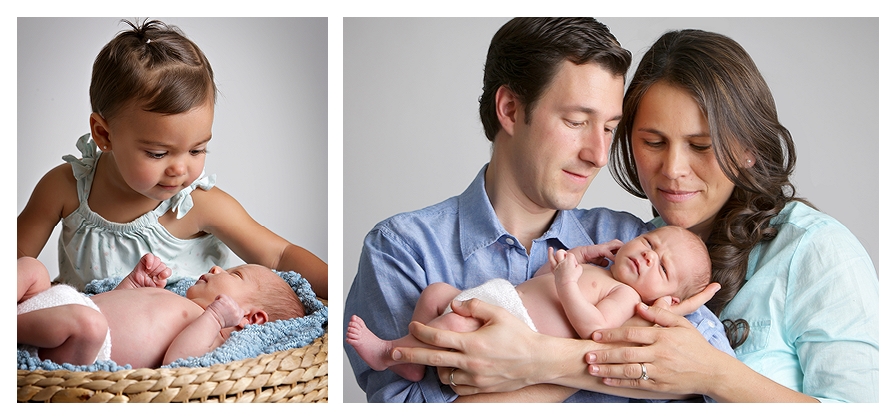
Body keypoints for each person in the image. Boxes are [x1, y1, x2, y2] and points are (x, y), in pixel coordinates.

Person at [393, 29, 879, 403]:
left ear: (749, 148)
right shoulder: (631, 244)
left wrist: (714, 373)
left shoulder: (815, 253)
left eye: (701, 146)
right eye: (651, 142)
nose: (673, 170)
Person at [344, 17, 728, 403]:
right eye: (577, 121)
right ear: (509, 109)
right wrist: (603, 363)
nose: (597, 155)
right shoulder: (403, 248)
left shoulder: (636, 243)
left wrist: (543, 360)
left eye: (609, 128)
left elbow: (721, 388)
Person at [16, 19, 327, 298]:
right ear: (104, 134)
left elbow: (279, 255)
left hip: (182, 350)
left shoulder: (199, 206)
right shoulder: (65, 188)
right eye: (158, 153)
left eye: (197, 150)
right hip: (88, 342)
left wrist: (338, 287)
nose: (180, 169)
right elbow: (16, 256)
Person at [348, 226, 710, 384]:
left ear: (668, 299)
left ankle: (388, 353)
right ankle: (412, 367)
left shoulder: (627, 298)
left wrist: (569, 283)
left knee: (452, 328)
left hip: (516, 327)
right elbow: (540, 277)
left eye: (661, 267)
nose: (648, 257)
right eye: (649, 243)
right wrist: (580, 257)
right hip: (502, 295)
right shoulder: (596, 267)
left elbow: (594, 329)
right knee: (435, 293)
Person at [17, 253, 304, 369]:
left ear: (251, 317)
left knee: (90, 324)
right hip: (61, 305)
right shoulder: (178, 299)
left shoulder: (212, 335)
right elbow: (110, 307)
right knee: (33, 266)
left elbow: (178, 363)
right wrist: (131, 284)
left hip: (76, 346)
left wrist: (215, 317)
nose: (217, 268)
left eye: (234, 275)